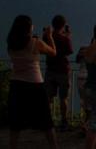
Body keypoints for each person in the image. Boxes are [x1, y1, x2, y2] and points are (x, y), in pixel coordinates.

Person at [7, 15, 59, 149]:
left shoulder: (11, 43)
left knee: (16, 123)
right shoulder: (35, 42)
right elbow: (53, 52)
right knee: (46, 121)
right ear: (28, 28)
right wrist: (49, 36)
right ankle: (54, 147)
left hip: (16, 84)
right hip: (35, 85)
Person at [44, 15, 73, 131]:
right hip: (62, 70)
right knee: (63, 98)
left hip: (50, 69)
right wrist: (67, 37)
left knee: (48, 97)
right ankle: (64, 121)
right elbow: (69, 51)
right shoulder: (64, 39)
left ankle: (47, 121)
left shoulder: (47, 36)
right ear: (63, 25)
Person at [76, 46, 90, 136]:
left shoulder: (80, 58)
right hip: (88, 79)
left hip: (80, 79)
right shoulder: (91, 55)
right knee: (91, 105)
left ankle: (85, 125)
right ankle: (86, 125)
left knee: (85, 103)